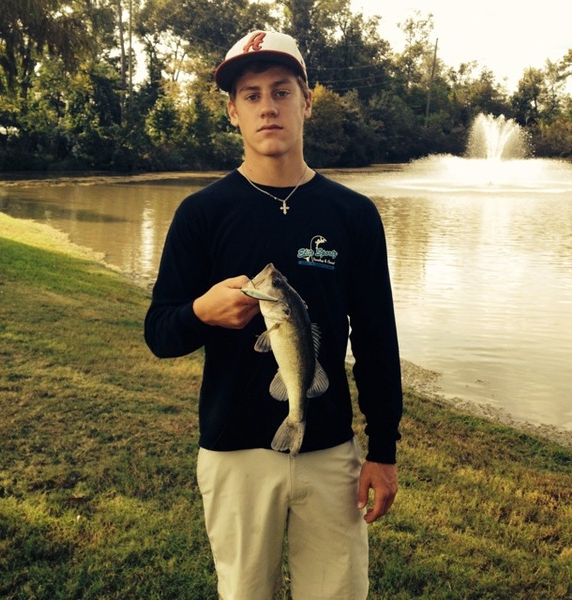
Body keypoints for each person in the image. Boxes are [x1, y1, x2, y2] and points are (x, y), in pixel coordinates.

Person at [144, 29, 402, 600]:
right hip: (234, 452)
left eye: (282, 91)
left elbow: (377, 340)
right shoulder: (201, 214)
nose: (268, 107)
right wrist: (201, 312)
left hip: (330, 452)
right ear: (233, 112)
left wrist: (382, 450)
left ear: (306, 102)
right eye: (252, 95)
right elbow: (159, 332)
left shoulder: (354, 214)